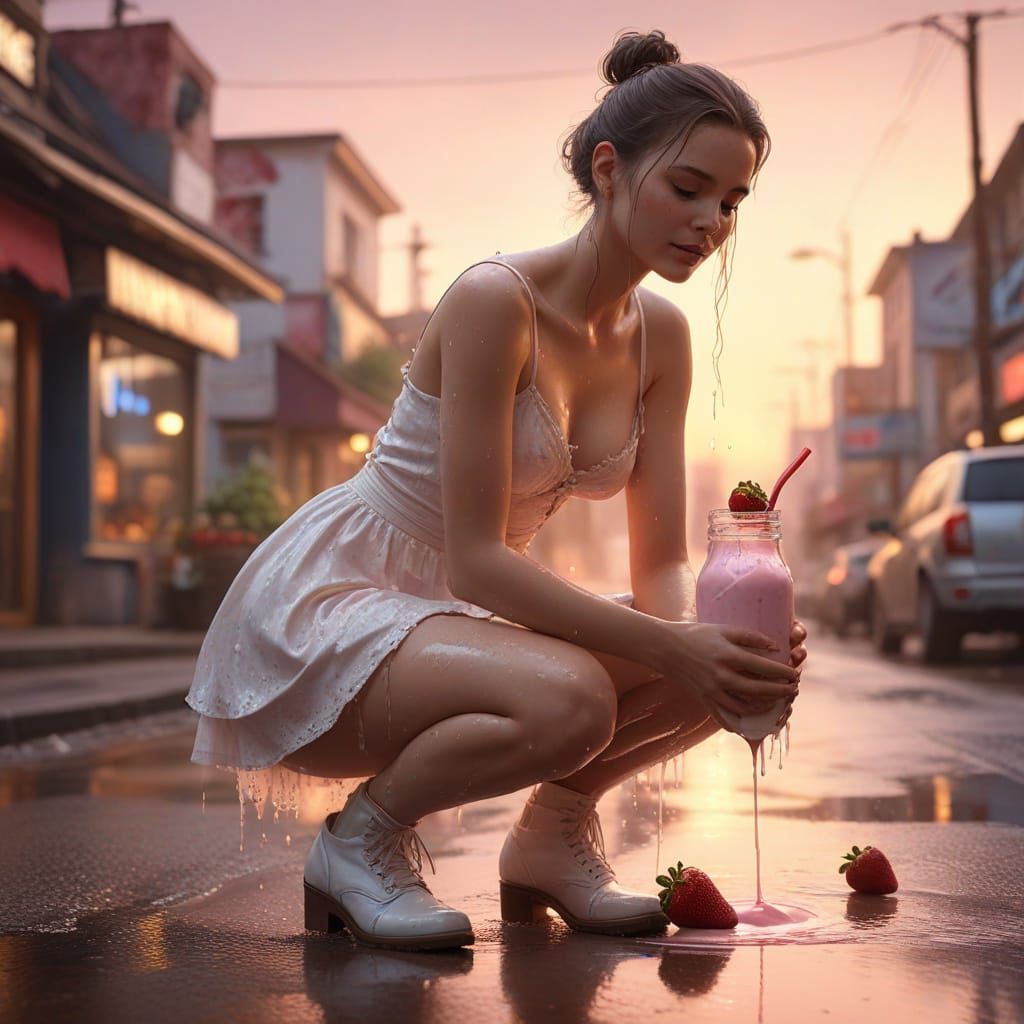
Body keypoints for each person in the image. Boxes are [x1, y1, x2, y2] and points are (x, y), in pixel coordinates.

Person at [186, 28, 807, 952]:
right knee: (577, 699)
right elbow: (476, 561)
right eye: (687, 188)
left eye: (732, 199)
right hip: (345, 597)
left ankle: (550, 843)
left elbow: (662, 561)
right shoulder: (494, 299)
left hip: (457, 616)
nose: (711, 221)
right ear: (608, 168)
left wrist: (716, 647)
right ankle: (357, 846)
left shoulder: (661, 337)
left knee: (730, 653)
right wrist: (678, 649)